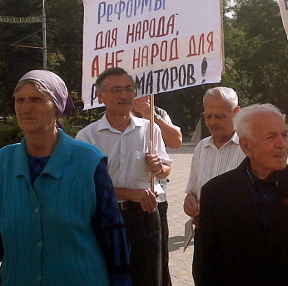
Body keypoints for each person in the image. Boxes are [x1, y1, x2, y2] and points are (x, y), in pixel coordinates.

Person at [0, 70, 130, 285]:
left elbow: (112, 232)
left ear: (57, 107)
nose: (25, 108)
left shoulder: (89, 162)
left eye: (36, 99)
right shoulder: (4, 162)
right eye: (20, 100)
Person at [193, 103, 288, 285]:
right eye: (271, 137)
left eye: (284, 135)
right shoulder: (215, 193)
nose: (282, 144)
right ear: (246, 146)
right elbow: (206, 267)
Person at [76, 67, 172, 286]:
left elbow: (165, 169)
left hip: (145, 217)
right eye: (116, 89)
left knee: (149, 278)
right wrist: (130, 193)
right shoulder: (87, 136)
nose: (124, 95)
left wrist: (159, 168)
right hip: (106, 218)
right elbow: (85, 187)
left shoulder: (150, 130)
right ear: (100, 95)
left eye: (129, 89)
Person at [131, 95, 181, 286]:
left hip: (156, 197)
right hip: (124, 201)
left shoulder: (159, 113)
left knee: (158, 257)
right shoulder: (116, 114)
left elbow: (176, 141)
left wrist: (152, 116)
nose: (140, 97)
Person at [183, 87, 246, 223]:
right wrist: (189, 202)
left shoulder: (249, 148)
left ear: (236, 113)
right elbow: (192, 192)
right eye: (208, 116)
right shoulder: (201, 147)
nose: (212, 122)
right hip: (204, 233)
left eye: (219, 116)